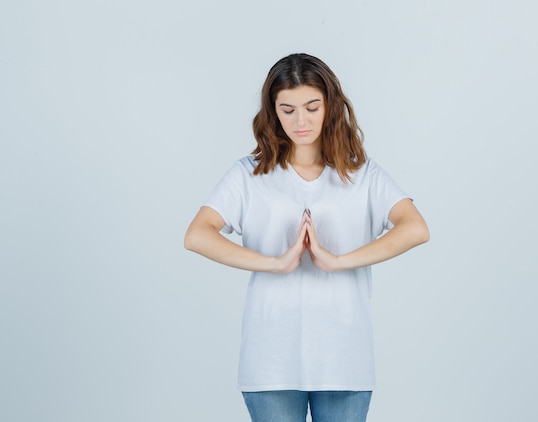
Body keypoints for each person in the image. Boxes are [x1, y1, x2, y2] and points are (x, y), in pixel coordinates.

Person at [184, 53, 429, 422]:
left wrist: (338, 261)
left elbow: (416, 228)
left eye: (312, 107)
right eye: (288, 109)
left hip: (344, 357)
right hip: (270, 360)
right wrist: (276, 263)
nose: (301, 120)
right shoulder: (248, 175)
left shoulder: (361, 173)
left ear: (330, 106)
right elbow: (197, 235)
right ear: (273, 112)